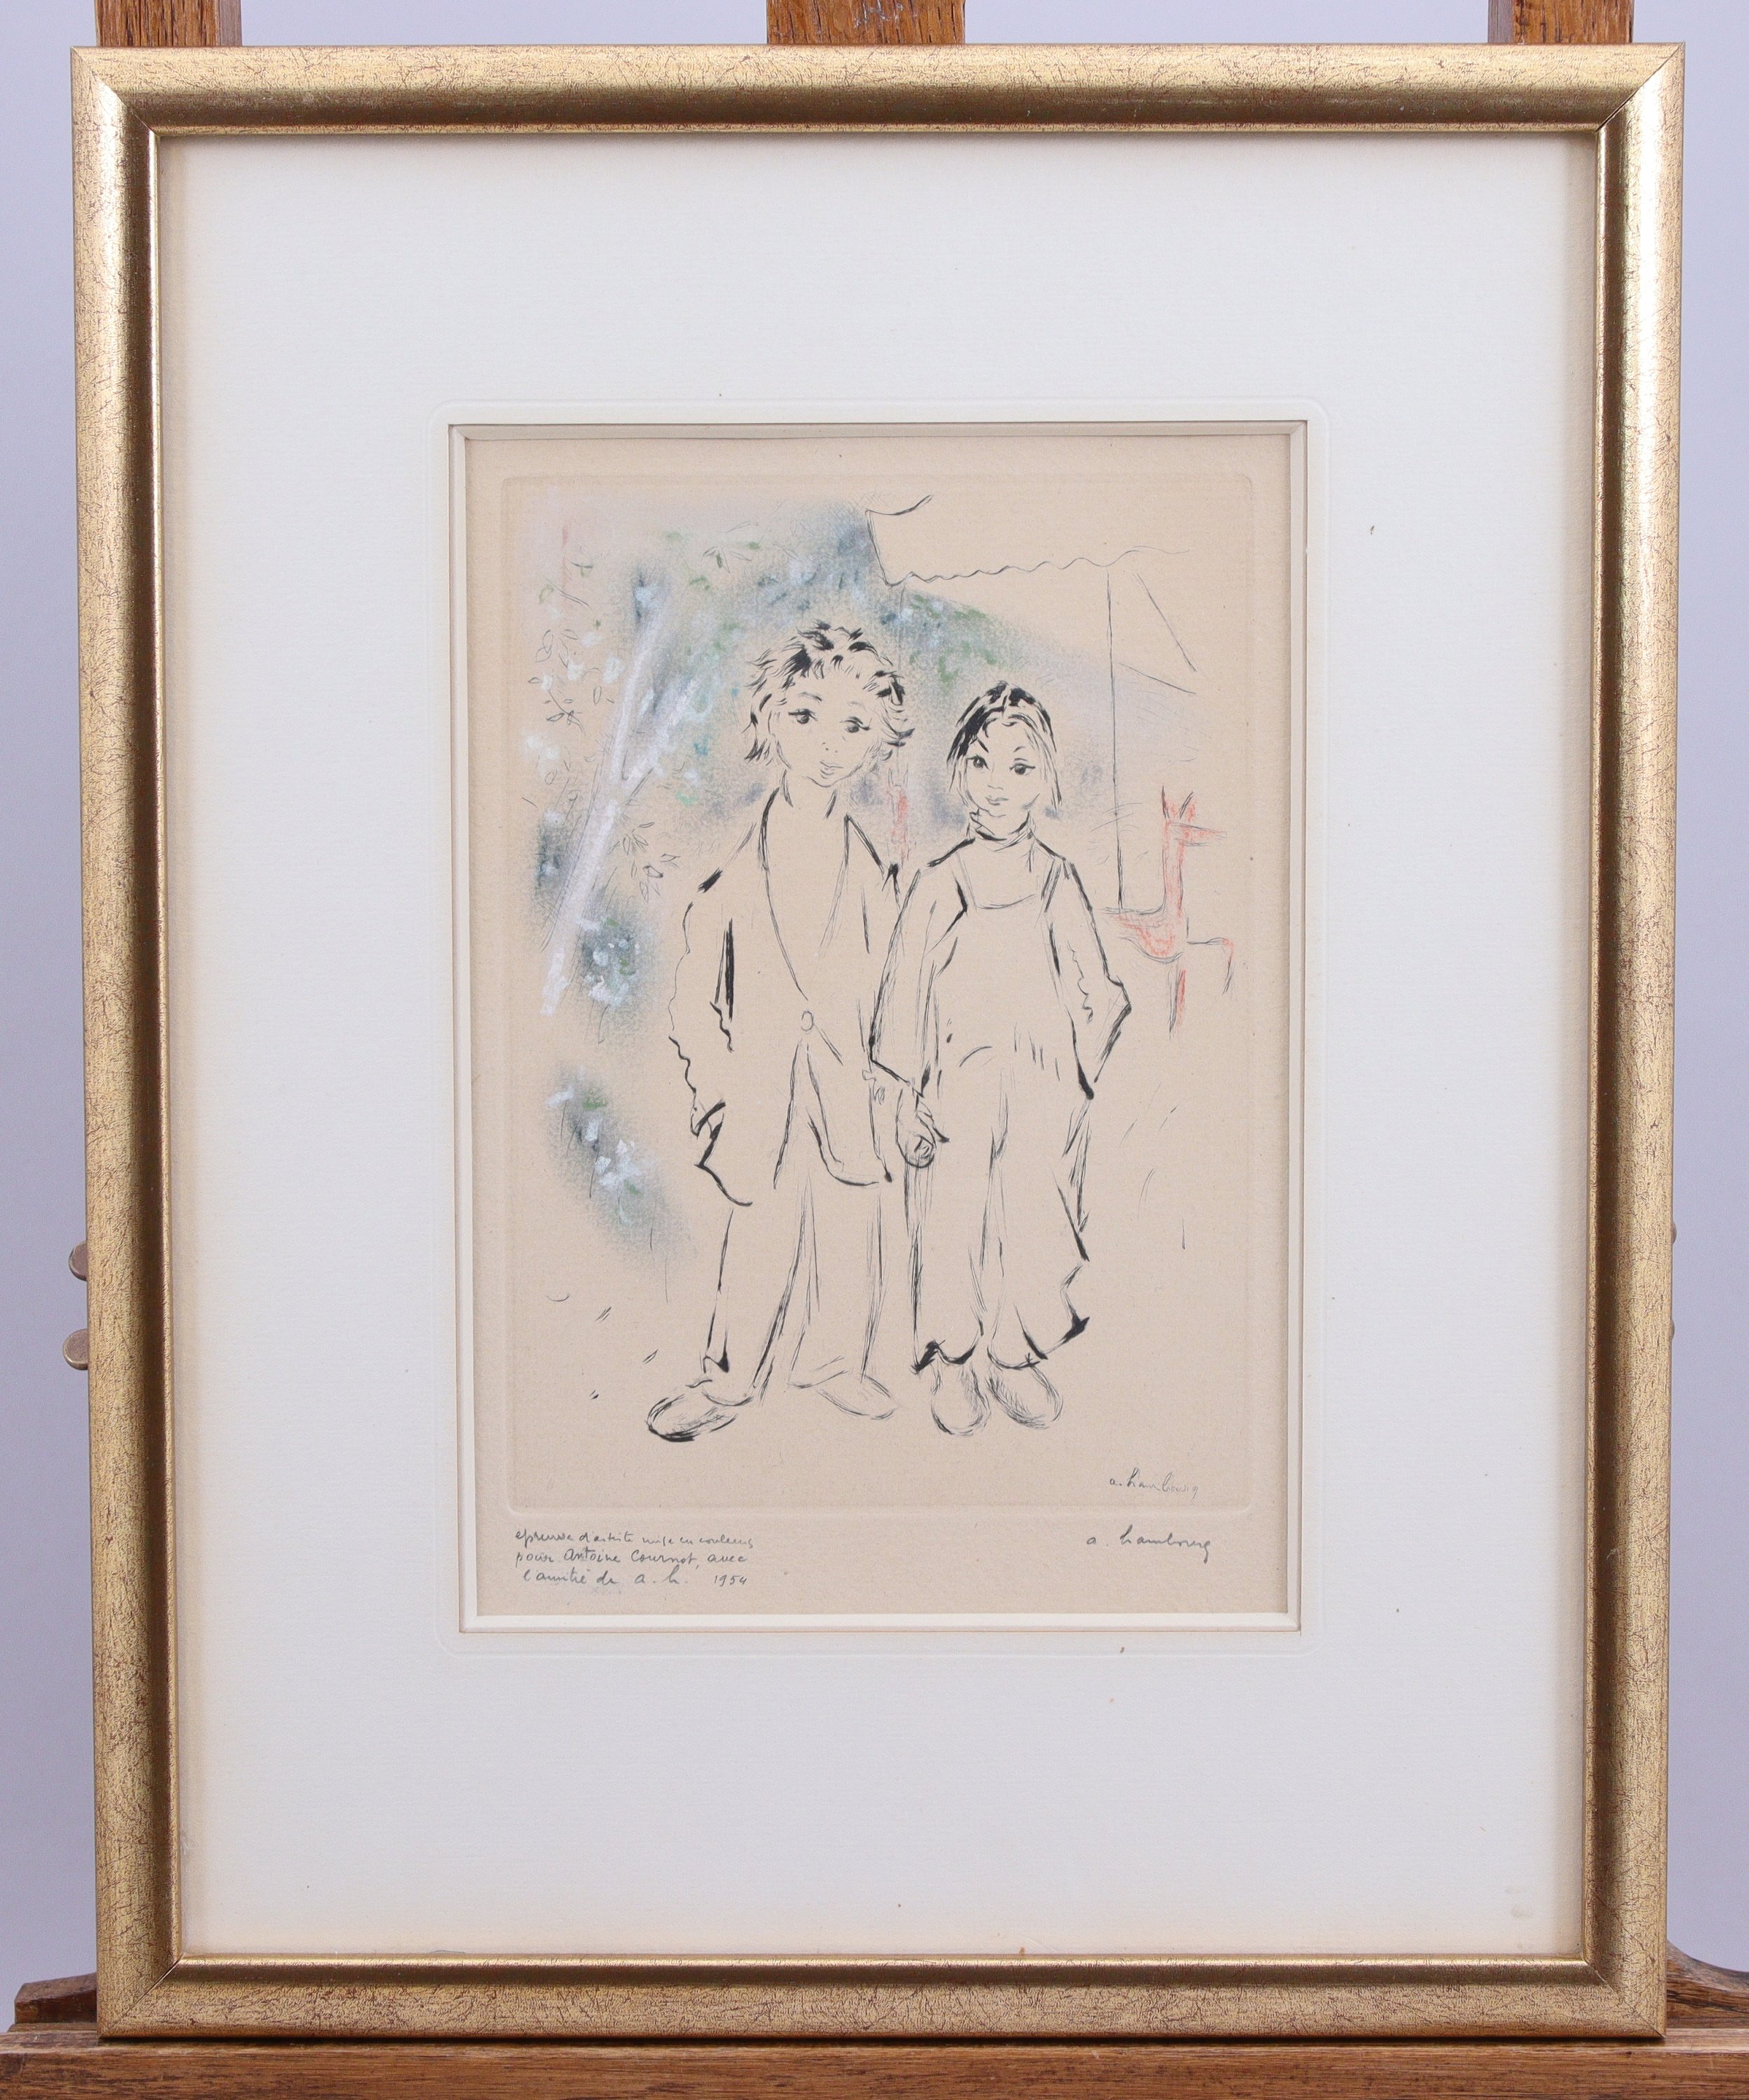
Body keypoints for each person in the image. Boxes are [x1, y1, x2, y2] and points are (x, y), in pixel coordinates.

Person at [648, 624, 909, 1442]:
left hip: (847, 1092)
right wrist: (716, 1092)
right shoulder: (733, 871)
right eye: (805, 717)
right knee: (758, 1234)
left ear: (877, 741)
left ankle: (835, 1361)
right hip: (759, 1095)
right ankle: (727, 1382)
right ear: (769, 720)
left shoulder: (872, 868)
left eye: (854, 726)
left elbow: (894, 988)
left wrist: (891, 1082)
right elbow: (694, 1003)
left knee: (849, 1225)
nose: (829, 745)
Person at [873, 682, 1129, 1436]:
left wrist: (1071, 1081)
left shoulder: (1056, 880)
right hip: (955, 1091)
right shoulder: (939, 883)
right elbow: (900, 1002)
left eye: (1019, 768)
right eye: (981, 763)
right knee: (951, 1223)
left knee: (1032, 1223)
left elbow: (1102, 995)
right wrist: (905, 1099)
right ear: (958, 771)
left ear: (1046, 780)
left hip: (1042, 1097)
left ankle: (1015, 1355)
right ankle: (953, 1359)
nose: (996, 785)